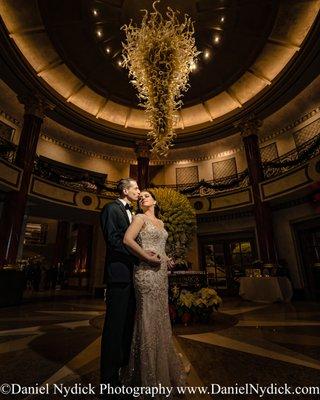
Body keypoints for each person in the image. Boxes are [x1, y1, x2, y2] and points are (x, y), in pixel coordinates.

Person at [121, 190, 187, 395]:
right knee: (148, 318)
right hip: (146, 274)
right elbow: (127, 240)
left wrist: (167, 260)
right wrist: (146, 258)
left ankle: (162, 368)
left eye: (146, 196)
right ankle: (147, 374)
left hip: (160, 275)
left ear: (155, 201)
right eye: (140, 198)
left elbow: (161, 247)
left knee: (160, 317)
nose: (142, 198)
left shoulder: (162, 223)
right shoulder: (139, 218)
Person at [100, 179, 161, 389]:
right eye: (135, 188)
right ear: (125, 191)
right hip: (119, 276)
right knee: (114, 329)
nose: (138, 191)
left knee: (127, 328)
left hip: (135, 276)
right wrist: (143, 255)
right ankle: (108, 381)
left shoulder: (135, 215)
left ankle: (124, 372)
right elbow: (114, 240)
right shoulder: (111, 209)